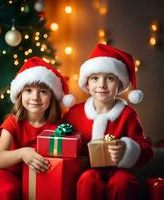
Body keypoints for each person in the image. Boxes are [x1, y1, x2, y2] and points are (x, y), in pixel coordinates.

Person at [63, 43, 154, 200]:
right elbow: (62, 137)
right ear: (87, 83)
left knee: (123, 182)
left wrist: (127, 149)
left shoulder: (128, 114)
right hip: (86, 170)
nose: (101, 85)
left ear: (119, 84)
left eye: (110, 78)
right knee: (87, 180)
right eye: (95, 78)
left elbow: (146, 150)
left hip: (119, 171)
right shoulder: (75, 113)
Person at [0, 56, 75, 200]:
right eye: (28, 90)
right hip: (10, 174)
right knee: (1, 188)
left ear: (52, 96)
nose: (35, 97)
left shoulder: (57, 127)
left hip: (41, 177)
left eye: (43, 91)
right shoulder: (13, 122)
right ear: (20, 94)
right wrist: (23, 153)